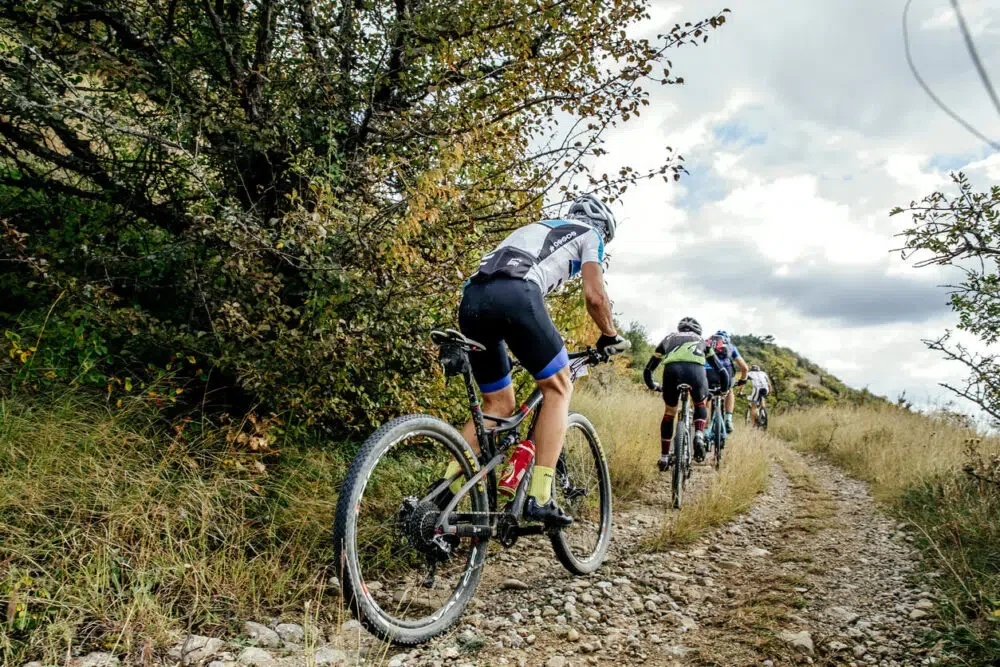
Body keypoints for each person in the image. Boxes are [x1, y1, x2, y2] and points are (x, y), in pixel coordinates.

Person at [449, 194, 627, 527]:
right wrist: (610, 334)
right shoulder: (591, 235)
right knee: (559, 386)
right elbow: (595, 295)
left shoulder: (532, 228)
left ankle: (448, 490)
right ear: (603, 228)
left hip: (471, 301)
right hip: (518, 296)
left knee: (497, 403)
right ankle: (540, 497)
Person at [643, 318, 730, 469]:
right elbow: (721, 371)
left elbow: (649, 369)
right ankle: (699, 435)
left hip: (672, 372)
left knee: (670, 412)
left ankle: (664, 458)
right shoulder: (702, 341)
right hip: (696, 373)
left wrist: (653, 385)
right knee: (700, 403)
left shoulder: (669, 338)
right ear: (698, 331)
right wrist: (723, 389)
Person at [704, 330, 748, 432]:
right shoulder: (731, 346)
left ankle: (705, 431)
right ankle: (728, 418)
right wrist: (743, 380)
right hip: (725, 373)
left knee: (707, 397)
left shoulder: (705, 344)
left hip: (706, 373)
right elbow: (744, 368)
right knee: (730, 390)